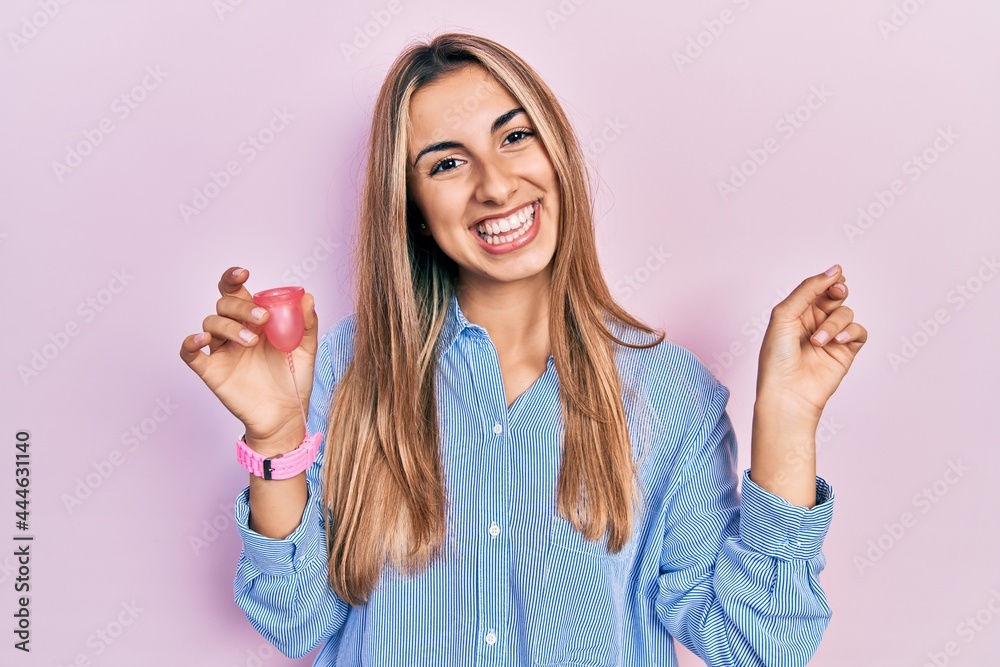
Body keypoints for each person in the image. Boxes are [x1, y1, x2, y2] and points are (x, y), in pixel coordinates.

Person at [179, 31, 867, 667]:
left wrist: (787, 417)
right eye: (447, 162)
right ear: (412, 203)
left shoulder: (670, 393)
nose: (497, 185)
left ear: (557, 152)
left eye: (514, 137)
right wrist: (273, 437)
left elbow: (760, 645)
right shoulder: (341, 374)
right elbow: (294, 618)